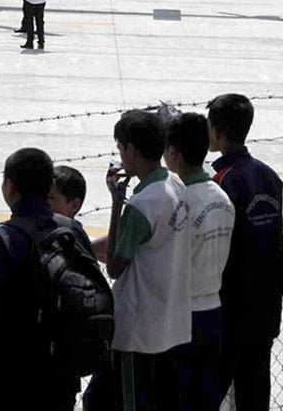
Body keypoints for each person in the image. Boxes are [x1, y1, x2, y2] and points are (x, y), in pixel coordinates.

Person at [0, 147, 93, 411]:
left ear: (9, 188)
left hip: (8, 378)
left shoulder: (1, 238)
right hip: (61, 374)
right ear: (49, 186)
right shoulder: (73, 231)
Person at [89, 109, 192, 410]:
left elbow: (115, 266)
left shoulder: (141, 204)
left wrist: (116, 205)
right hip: (168, 320)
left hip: (137, 330)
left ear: (132, 150)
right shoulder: (175, 186)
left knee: (132, 399)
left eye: (121, 149)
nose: (120, 156)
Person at [207, 93, 283, 411]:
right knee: (255, 392)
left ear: (219, 132)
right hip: (265, 304)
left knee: (211, 389)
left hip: (229, 306)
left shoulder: (221, 181)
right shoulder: (269, 176)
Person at [164, 112, 235, 411]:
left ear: (173, 152)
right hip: (213, 310)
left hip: (182, 315)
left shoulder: (179, 202)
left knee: (175, 397)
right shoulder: (221, 196)